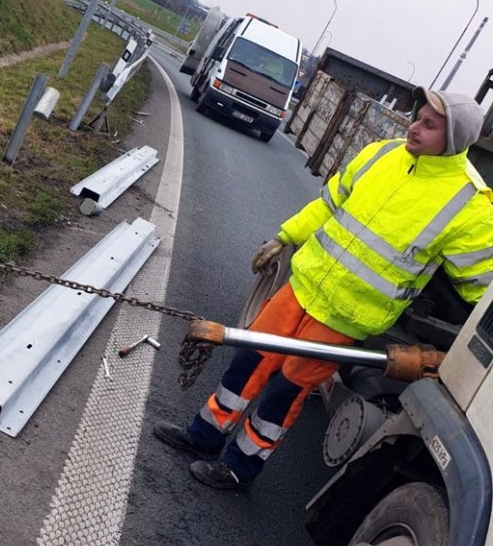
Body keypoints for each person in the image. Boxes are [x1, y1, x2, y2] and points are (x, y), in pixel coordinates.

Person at [155, 87, 493, 490]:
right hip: (304, 284)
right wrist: (283, 236)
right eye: (418, 117)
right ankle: (204, 434)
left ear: (453, 139)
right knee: (248, 360)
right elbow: (328, 206)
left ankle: (239, 468)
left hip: (347, 314)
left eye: (429, 125)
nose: (415, 127)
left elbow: (481, 287)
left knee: (286, 390)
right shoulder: (383, 154)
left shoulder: (469, 205)